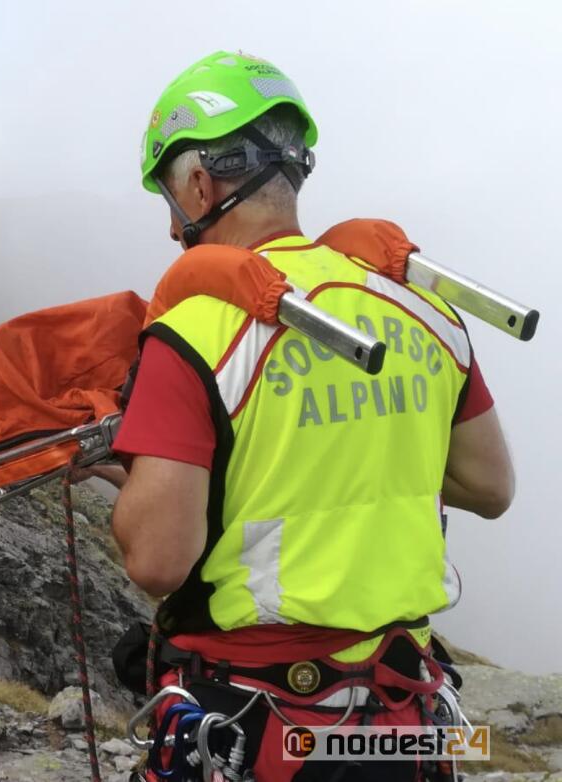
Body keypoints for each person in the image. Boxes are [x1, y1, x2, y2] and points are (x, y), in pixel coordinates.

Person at [80, 51, 515, 781]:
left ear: (199, 182)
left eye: (169, 199)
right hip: (406, 723)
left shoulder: (194, 333)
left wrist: (139, 484)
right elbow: (490, 487)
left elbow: (158, 562)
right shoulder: (423, 312)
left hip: (264, 727)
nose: (171, 228)